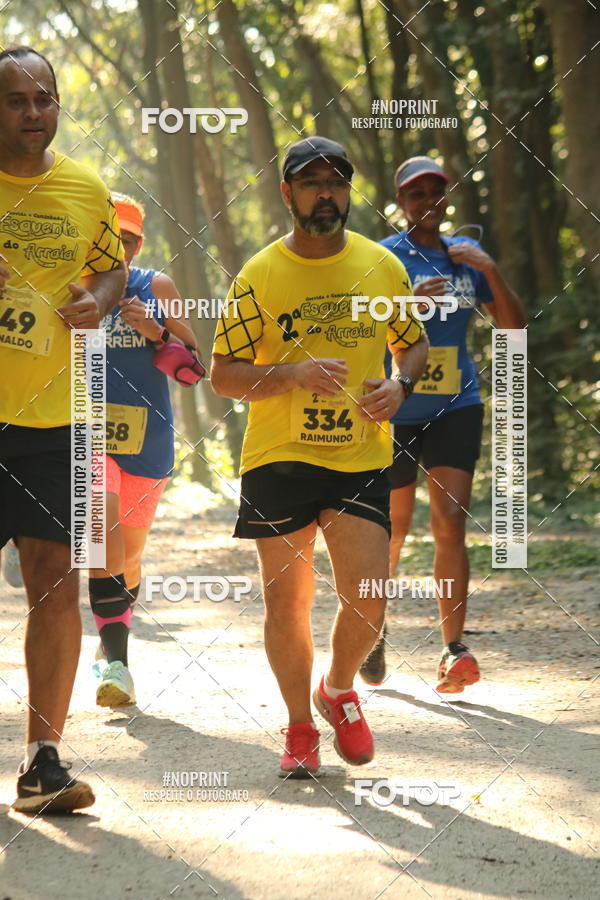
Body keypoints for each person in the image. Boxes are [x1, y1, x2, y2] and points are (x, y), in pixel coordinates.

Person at [211, 136, 428, 778]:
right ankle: (300, 727)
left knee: (369, 595)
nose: (325, 194)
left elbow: (409, 345)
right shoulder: (259, 275)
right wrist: (292, 373)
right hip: (278, 454)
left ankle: (336, 689)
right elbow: (222, 375)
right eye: (311, 183)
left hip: (359, 452)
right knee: (288, 602)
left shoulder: (383, 267)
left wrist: (400, 384)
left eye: (335, 182)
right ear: (288, 195)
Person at [0, 46, 126, 813]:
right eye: (16, 100)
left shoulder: (85, 187)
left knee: (56, 580)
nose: (34, 113)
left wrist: (102, 301)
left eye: (43, 97)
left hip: (61, 420)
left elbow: (109, 265)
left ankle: (42, 763)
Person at [359, 156, 526, 692]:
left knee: (450, 521)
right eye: (414, 194)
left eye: (435, 191)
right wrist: (403, 301)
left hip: (456, 402)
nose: (426, 201)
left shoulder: (465, 258)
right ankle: (372, 630)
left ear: (446, 198)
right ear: (400, 201)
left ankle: (454, 650)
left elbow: (514, 328)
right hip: (397, 407)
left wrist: (491, 270)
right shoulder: (383, 257)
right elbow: (354, 323)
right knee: (392, 530)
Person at [91, 193, 199, 708]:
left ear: (140, 243)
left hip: (147, 438)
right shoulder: (72, 287)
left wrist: (156, 331)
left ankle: (111, 637)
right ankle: (117, 667)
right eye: (111, 237)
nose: (120, 248)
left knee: (129, 558)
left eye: (129, 239)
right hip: (85, 434)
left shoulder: (158, 287)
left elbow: (196, 369)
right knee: (102, 543)